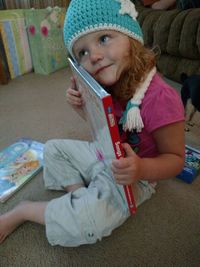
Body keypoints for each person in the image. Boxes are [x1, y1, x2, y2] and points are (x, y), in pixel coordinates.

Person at [0, 0, 185, 247]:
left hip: (135, 176)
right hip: (104, 153)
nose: (94, 56)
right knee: (53, 149)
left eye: (104, 38)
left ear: (130, 36)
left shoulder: (161, 98)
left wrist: (140, 169)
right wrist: (82, 108)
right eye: (82, 53)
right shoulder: (105, 85)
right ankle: (81, 195)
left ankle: (23, 211)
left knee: (88, 223)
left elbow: (175, 159)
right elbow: (106, 130)